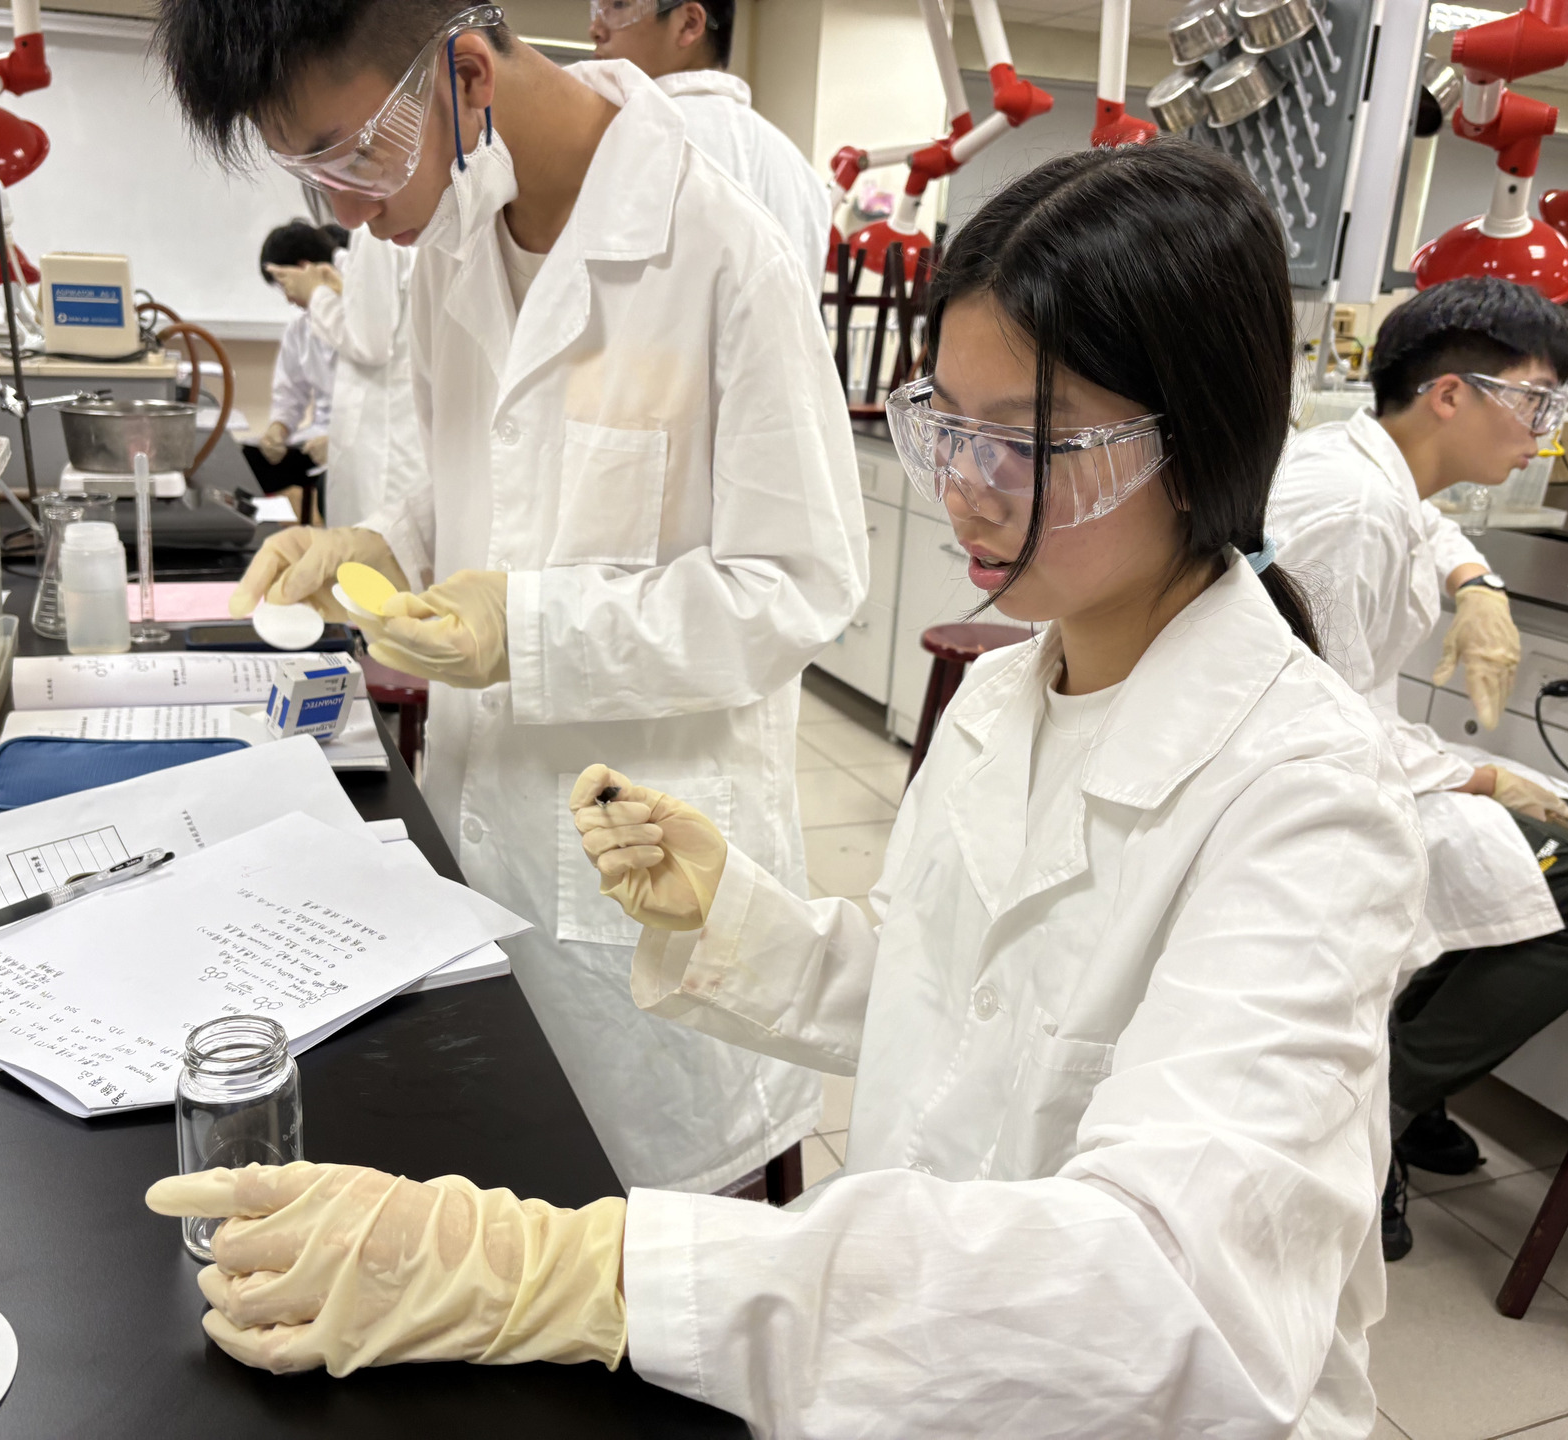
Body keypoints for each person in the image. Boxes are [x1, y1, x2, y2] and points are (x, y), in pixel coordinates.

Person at [148, 142, 1431, 1439]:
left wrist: (583, 1275)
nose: (967, 489)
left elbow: (1166, 1297)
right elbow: (958, 1003)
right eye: (950, 428)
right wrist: (740, 924)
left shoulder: (1310, 799)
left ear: (1199, 443)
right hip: (918, 1358)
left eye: (1026, 442)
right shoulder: (1007, 695)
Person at [154, 1, 867, 1195]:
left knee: (644, 1254)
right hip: (478, 846)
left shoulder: (720, 254)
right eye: (307, 173)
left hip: (640, 883)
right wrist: (373, 548)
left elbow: (798, 587)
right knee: (488, 1188)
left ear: (468, 72)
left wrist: (530, 632)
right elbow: (457, 492)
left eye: (347, 153)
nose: (342, 209)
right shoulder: (450, 246)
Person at [1269, 276, 1568, 1262]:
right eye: (1536, 404)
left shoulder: (1370, 464)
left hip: (1368, 746)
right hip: (1315, 781)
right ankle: (1375, 1109)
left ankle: (1408, 1080)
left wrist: (1476, 583)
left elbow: (1426, 522)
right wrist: (1483, 780)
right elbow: (1310, 715)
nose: (1546, 436)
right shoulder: (1349, 509)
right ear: (1449, 395)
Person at [588, 0, 831, 270]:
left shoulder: (624, 141)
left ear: (689, 24)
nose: (596, 29)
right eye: (597, 9)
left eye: (619, 5)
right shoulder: (803, 176)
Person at [275, 228, 429, 531]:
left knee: (371, 544)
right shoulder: (384, 238)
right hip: (385, 443)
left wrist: (317, 295)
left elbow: (369, 343)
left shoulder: (374, 234)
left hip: (383, 452)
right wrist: (341, 289)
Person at [252, 221, 340, 519]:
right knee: (249, 464)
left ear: (304, 269)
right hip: (317, 441)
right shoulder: (299, 330)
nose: (288, 297)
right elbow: (289, 393)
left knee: (333, 484)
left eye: (283, 284)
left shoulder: (356, 321)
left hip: (360, 443)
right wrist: (278, 427)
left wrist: (342, 443)